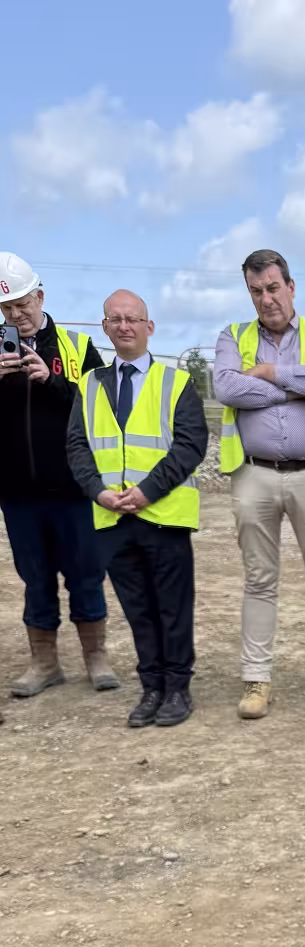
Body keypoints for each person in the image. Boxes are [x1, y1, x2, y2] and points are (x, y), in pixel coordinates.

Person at [213, 248, 305, 719]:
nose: (266, 298)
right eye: (256, 291)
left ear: (291, 287)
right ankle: (256, 680)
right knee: (259, 581)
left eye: (274, 288)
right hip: (253, 475)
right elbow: (226, 388)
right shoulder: (232, 336)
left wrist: (269, 373)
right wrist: (297, 388)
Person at [65, 291, 207, 728]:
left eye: (133, 318)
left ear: (150, 327)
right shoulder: (89, 385)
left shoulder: (177, 382)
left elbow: (191, 444)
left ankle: (177, 688)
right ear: (105, 327)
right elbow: (77, 445)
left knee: (172, 607)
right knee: (138, 609)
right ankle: (152, 688)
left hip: (164, 515)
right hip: (113, 517)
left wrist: (148, 491)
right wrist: (97, 492)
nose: (124, 326)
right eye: (116, 319)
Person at [0, 252, 119, 699]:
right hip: (18, 490)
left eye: (22, 304)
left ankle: (96, 657)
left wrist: (50, 383)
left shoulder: (76, 347)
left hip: (74, 488)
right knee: (35, 578)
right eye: (7, 309)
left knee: (86, 573)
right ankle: (44, 663)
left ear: (40, 297)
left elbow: (102, 409)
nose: (16, 315)